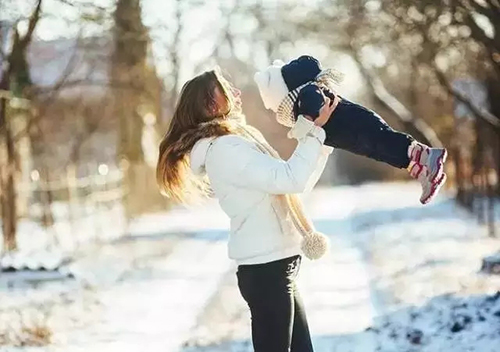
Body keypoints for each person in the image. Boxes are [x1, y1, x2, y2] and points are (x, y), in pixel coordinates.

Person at [156, 67, 335, 351]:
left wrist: (321, 140)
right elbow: (291, 177)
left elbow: (292, 183)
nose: (236, 93)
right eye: (226, 89)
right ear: (211, 104)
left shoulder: (238, 141)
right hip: (267, 271)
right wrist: (314, 134)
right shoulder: (227, 149)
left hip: (277, 265)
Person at [254, 55, 448, 205]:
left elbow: (313, 116)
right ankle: (425, 174)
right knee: (383, 150)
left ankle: (429, 156)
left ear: (283, 92)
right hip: (356, 136)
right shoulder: (304, 96)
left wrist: (299, 132)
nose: (273, 110)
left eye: (272, 104)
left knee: (385, 143)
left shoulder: (308, 94)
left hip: (359, 127)